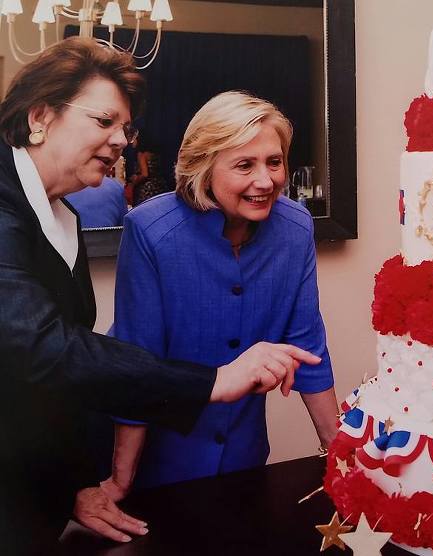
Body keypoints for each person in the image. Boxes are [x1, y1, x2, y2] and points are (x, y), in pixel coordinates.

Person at [0, 38, 320, 555]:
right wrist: (215, 380)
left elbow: (56, 381)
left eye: (124, 128)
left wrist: (78, 482)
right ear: (40, 116)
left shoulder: (64, 216)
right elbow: (41, 348)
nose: (121, 140)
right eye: (104, 121)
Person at [99, 91, 339, 497]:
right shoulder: (150, 231)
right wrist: (120, 482)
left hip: (244, 460)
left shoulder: (296, 228)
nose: (266, 181)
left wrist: (342, 459)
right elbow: (135, 365)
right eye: (245, 165)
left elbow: (308, 349)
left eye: (274, 162)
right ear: (203, 167)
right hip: (159, 464)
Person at [129, 132, 169, 206]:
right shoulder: (155, 153)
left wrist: (134, 181)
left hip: (147, 189)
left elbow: (145, 174)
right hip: (160, 186)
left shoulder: (141, 155)